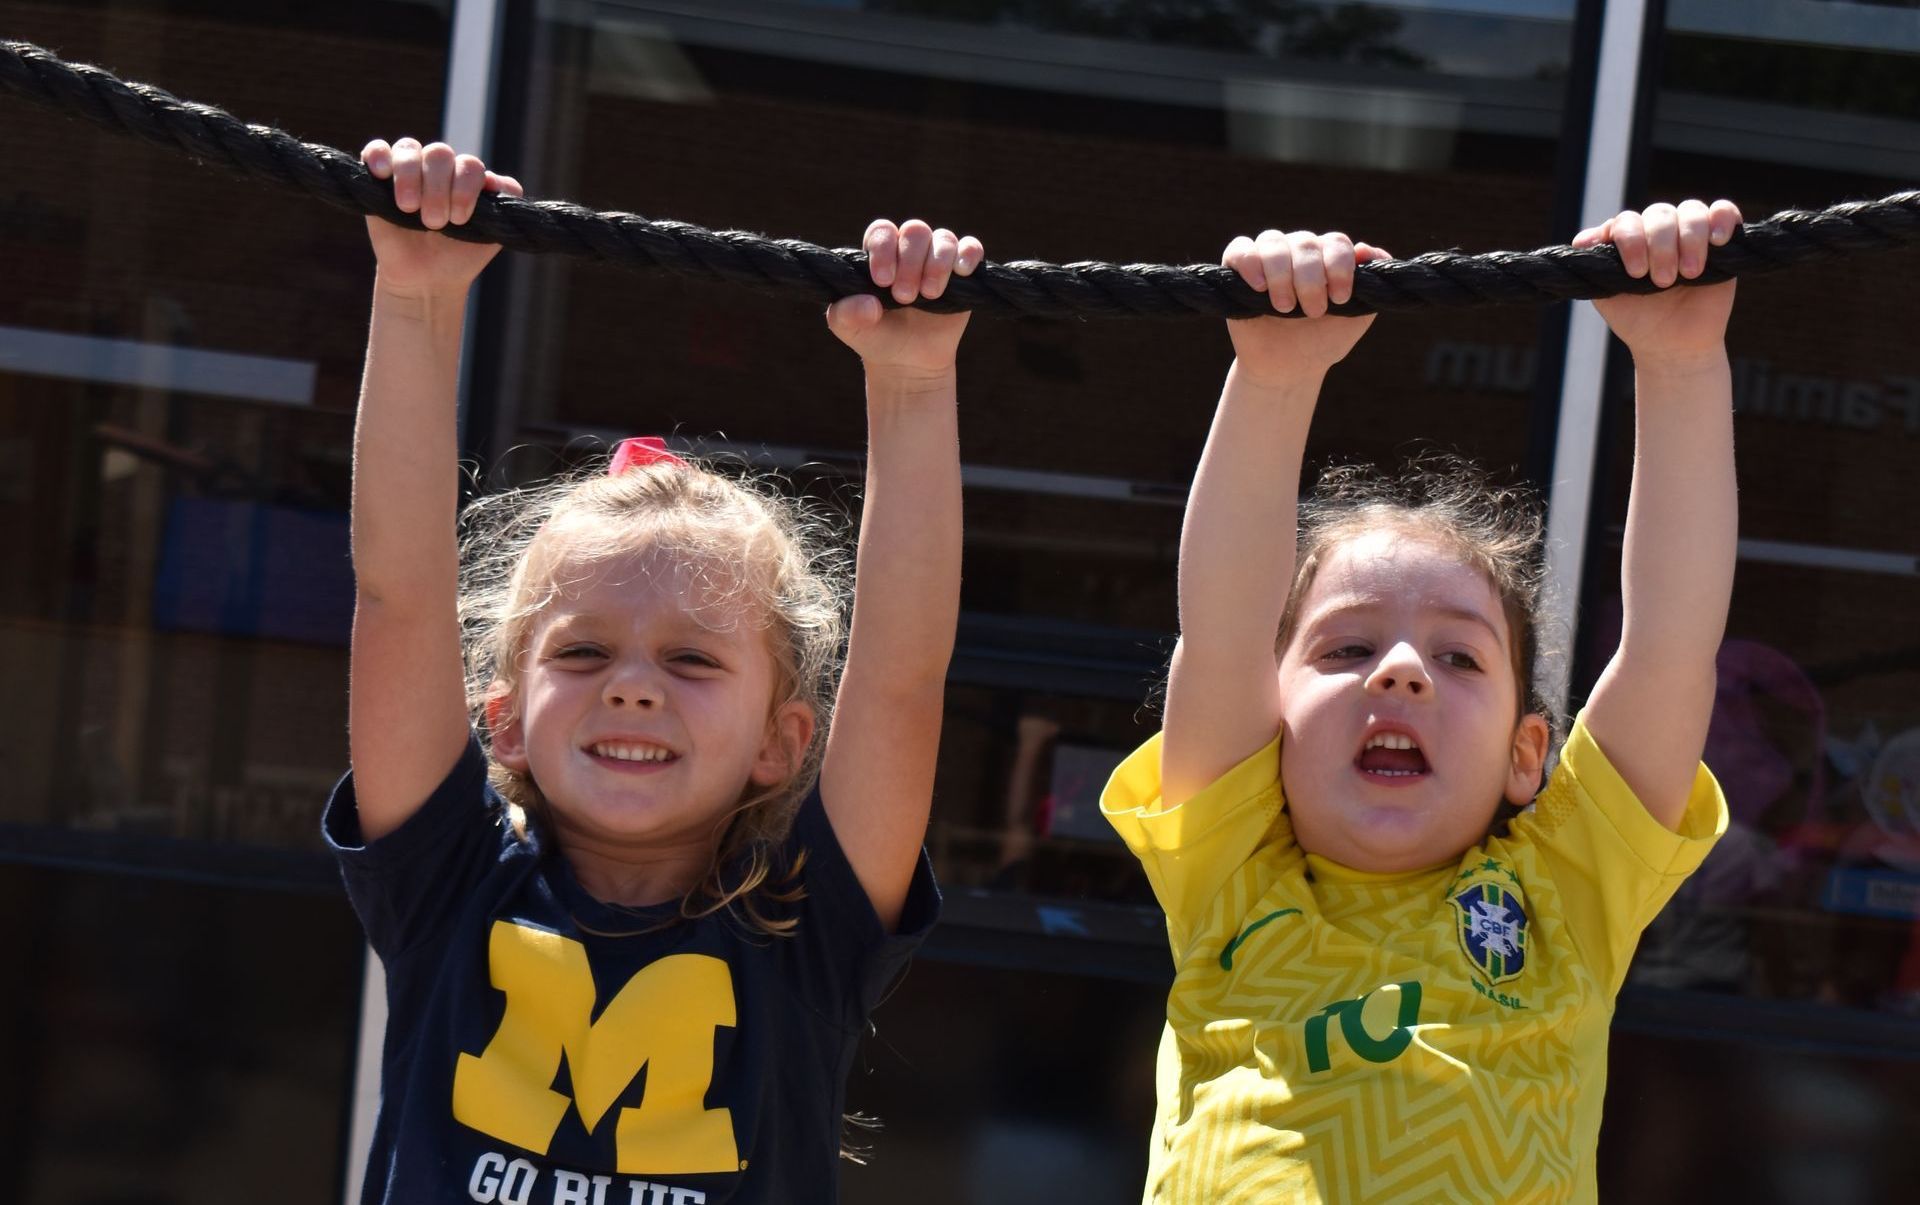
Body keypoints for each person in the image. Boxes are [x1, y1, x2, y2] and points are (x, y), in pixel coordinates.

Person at [327, 135, 978, 1203]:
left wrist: (912, 384)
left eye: (692, 657)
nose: (633, 685)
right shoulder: (446, 880)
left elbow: (902, 675)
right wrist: (413, 299)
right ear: (501, 718)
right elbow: (397, 596)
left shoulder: (812, 923)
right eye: (582, 650)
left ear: (781, 738)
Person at [1099, 202, 1741, 1203]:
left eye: (1460, 657)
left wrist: (1683, 363)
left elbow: (1669, 650)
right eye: (1349, 645)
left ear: (1531, 753)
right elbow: (1223, 633)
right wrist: (1274, 377)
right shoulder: (1228, 867)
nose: (1400, 671)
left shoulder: (1567, 889)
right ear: (1265, 721)